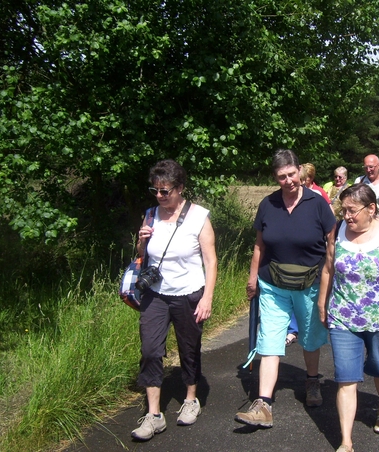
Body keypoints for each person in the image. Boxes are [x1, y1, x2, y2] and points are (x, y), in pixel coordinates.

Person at [235, 149, 336, 428]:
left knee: (311, 336)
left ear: (299, 170)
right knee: (269, 339)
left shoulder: (318, 204)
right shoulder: (268, 204)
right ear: (275, 177)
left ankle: (312, 381)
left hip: (310, 283)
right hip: (273, 283)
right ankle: (263, 403)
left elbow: (332, 244)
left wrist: (330, 279)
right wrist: (252, 277)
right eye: (282, 177)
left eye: (292, 174)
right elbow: (259, 245)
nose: (289, 180)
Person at [318, 183, 379, 452]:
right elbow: (327, 269)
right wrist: (322, 304)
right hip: (343, 317)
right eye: (343, 210)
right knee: (345, 378)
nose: (346, 216)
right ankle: (346, 442)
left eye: (352, 210)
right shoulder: (337, 231)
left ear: (371, 209)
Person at [132, 159, 217, 441]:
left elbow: (210, 260)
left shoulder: (199, 217)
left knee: (189, 348)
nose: (159, 195)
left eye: (165, 190)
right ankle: (154, 415)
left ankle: (191, 398)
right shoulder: (149, 215)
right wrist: (142, 240)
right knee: (150, 350)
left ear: (180, 188)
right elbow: (143, 254)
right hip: (156, 294)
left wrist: (207, 297)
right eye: (155, 190)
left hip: (189, 292)